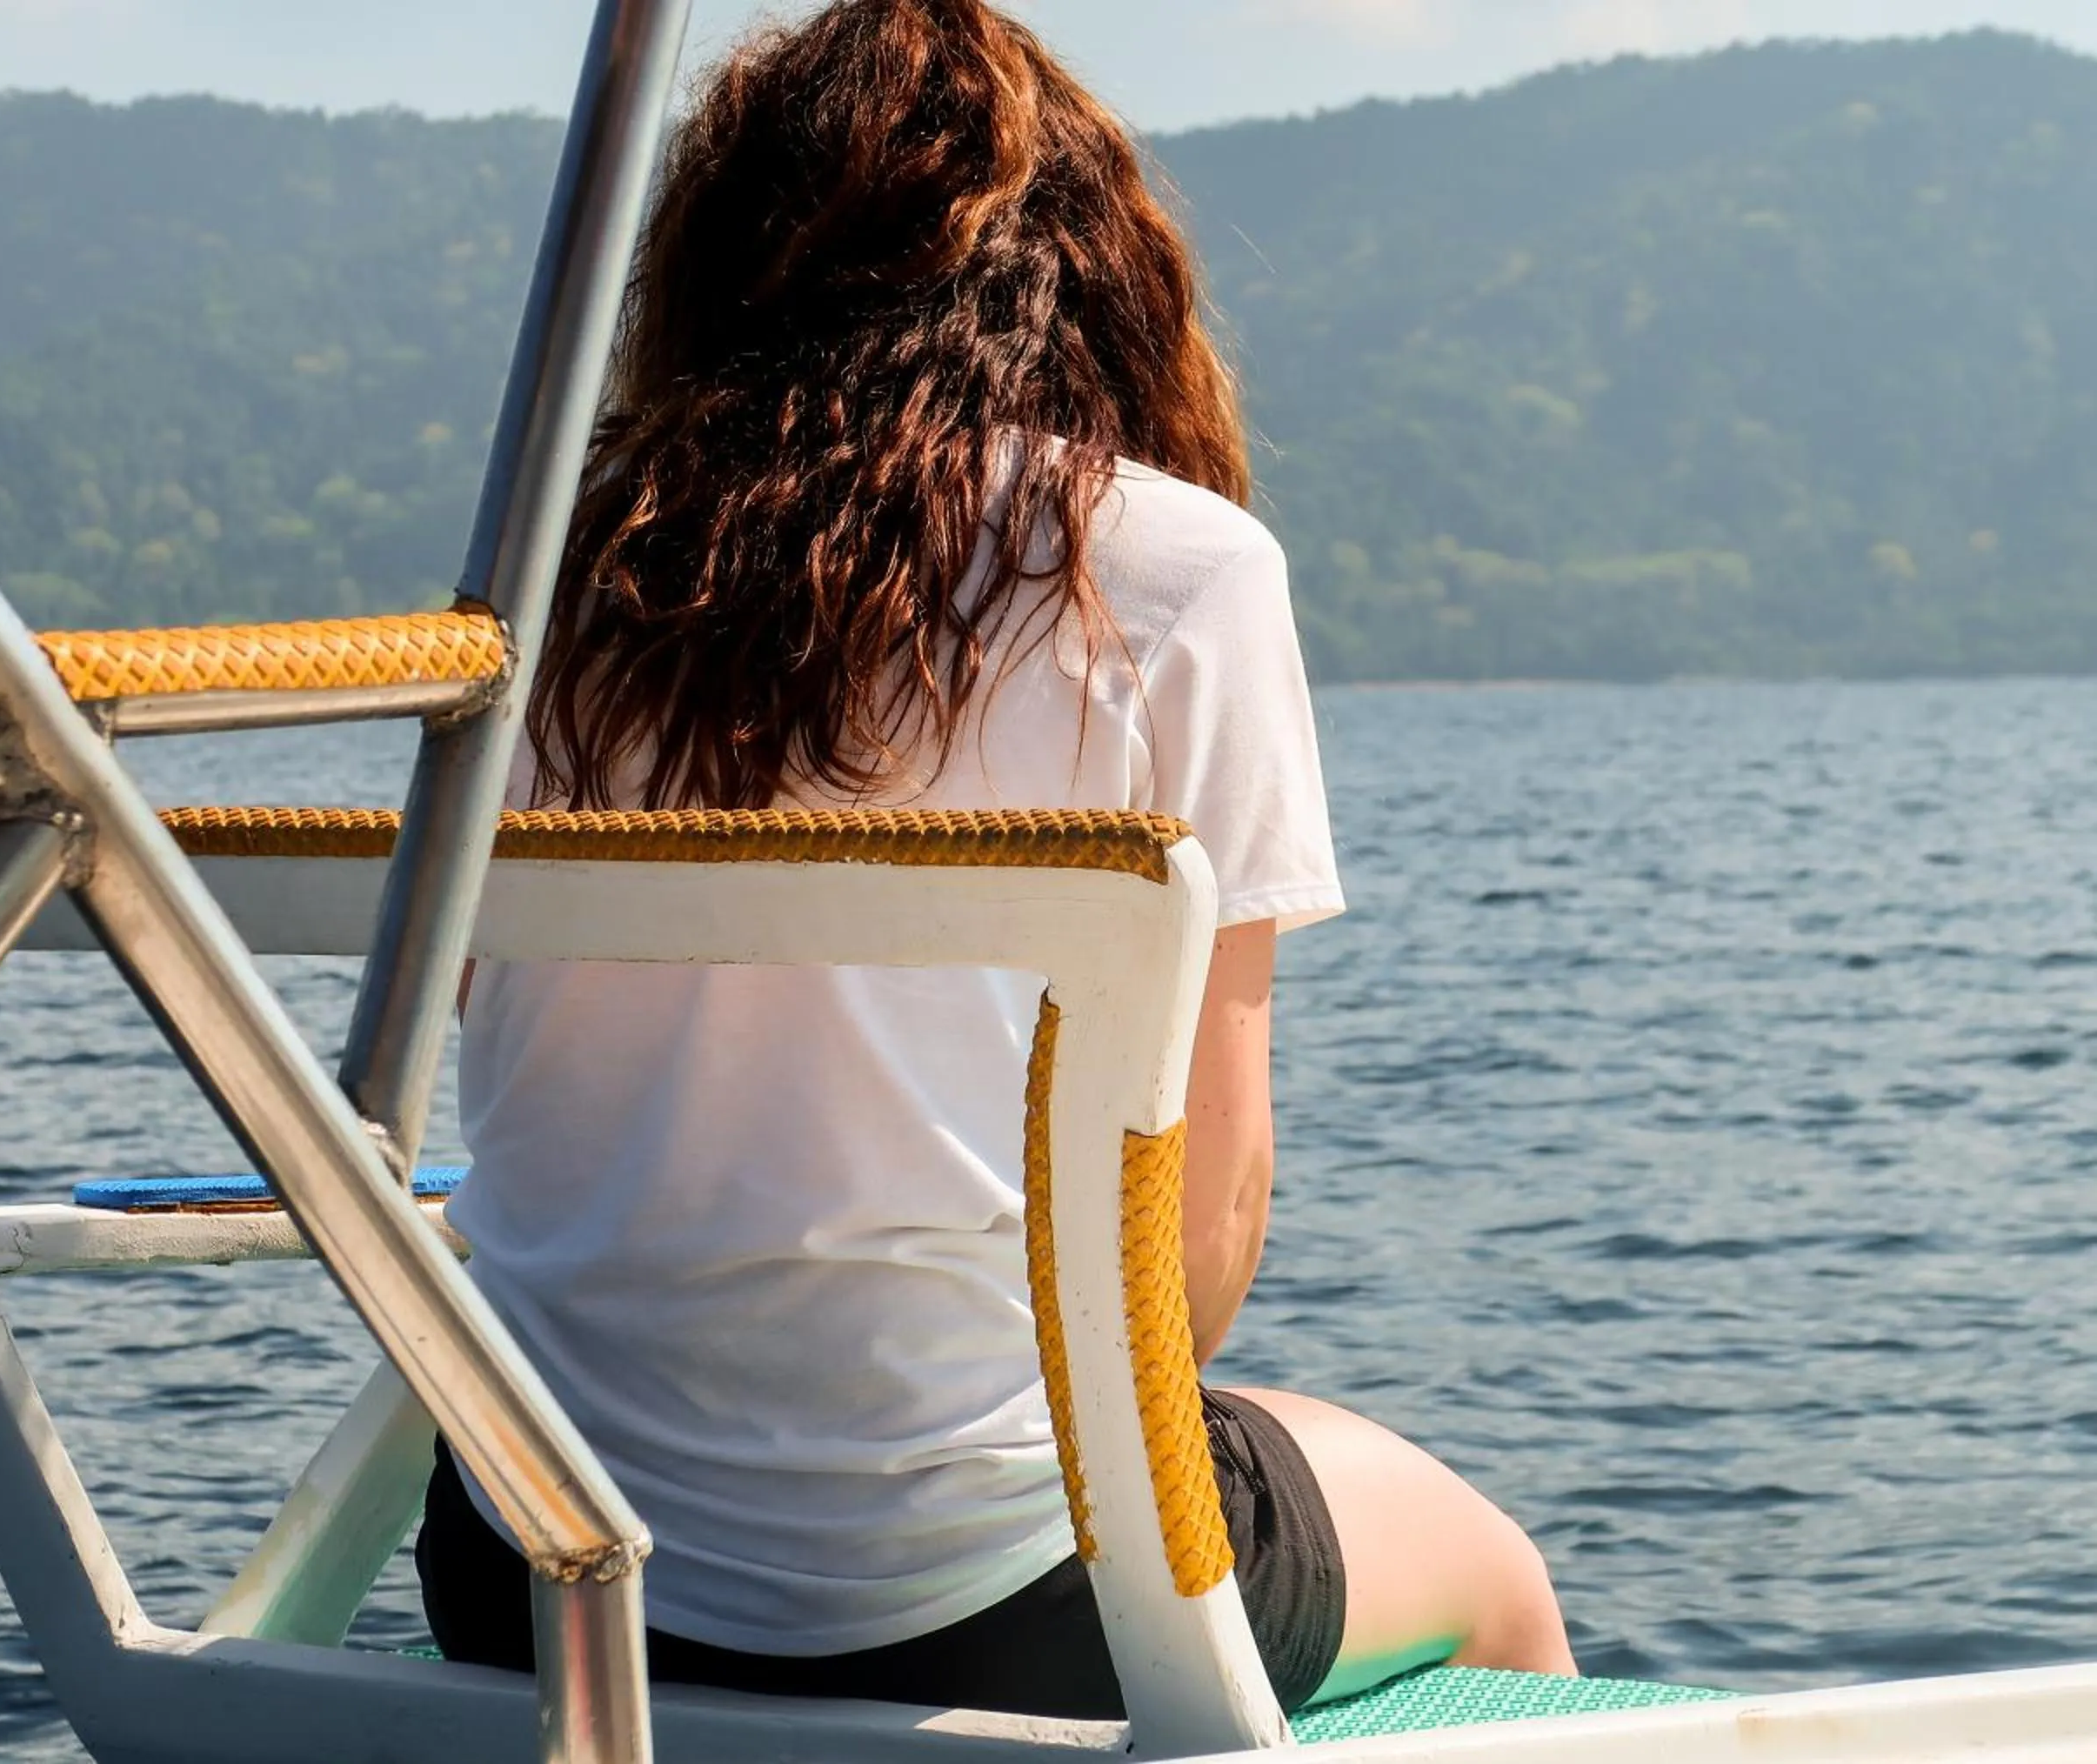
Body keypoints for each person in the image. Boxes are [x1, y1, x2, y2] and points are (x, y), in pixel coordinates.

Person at [414, 0, 1576, 1720]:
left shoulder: (552, 579)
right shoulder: (1177, 579)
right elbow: (1204, 1235)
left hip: (529, 1572)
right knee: (1498, 1587)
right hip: (998, 1594)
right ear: (1095, 270)